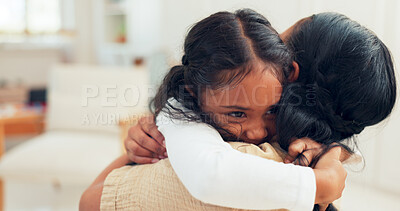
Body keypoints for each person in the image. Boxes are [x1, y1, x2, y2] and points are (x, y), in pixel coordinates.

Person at [80, 10, 396, 211]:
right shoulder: (312, 160)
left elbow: (90, 202)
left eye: (280, 42)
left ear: (292, 74)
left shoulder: (250, 167)